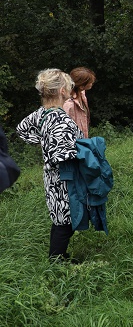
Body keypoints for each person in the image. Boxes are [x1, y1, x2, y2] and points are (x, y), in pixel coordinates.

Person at [16, 69, 84, 260]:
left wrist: (41, 140)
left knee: (60, 217)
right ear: (62, 90)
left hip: (51, 176)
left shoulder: (42, 113)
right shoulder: (59, 119)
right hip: (65, 177)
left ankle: (57, 256)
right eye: (69, 87)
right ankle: (57, 261)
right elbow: (62, 155)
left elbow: (22, 129)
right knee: (66, 221)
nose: (70, 90)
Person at [63, 67, 96, 138]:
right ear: (81, 86)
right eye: (90, 82)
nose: (92, 83)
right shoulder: (68, 104)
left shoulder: (82, 94)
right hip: (73, 142)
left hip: (83, 140)